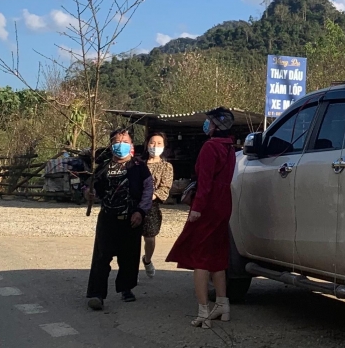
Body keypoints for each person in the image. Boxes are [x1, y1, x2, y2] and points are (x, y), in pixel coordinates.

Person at [167, 107, 237, 328]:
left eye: (209, 121)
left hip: (207, 205)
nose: (206, 124)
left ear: (215, 126)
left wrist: (197, 208)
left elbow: (205, 182)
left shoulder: (210, 147)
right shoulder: (230, 148)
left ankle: (203, 311)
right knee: (217, 254)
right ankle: (223, 304)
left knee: (200, 258)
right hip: (224, 203)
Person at [85, 128, 153, 310]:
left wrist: (141, 211)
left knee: (129, 256)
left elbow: (148, 191)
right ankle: (97, 294)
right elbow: (94, 189)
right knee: (102, 257)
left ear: (131, 145)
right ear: (111, 145)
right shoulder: (104, 167)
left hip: (131, 218)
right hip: (108, 218)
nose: (121, 145)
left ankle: (126, 288)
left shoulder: (139, 167)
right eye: (117, 141)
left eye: (125, 141)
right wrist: (89, 193)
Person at [141, 131, 173, 278]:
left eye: (159, 143)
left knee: (149, 238)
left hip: (151, 206)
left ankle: (147, 260)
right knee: (131, 240)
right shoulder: (137, 164)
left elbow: (165, 188)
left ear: (164, 146)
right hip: (133, 204)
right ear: (147, 144)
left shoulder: (166, 167)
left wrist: (150, 197)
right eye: (152, 143)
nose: (155, 146)